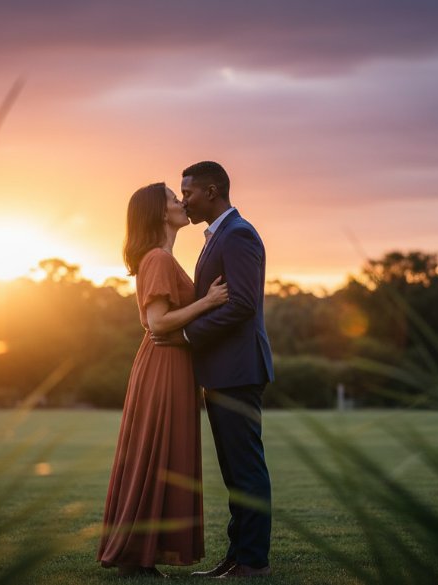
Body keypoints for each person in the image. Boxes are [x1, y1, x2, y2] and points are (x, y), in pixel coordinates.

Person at [97, 182, 229, 578]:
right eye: (174, 198)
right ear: (159, 213)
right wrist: (207, 302)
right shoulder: (157, 258)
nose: (181, 202)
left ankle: (141, 553)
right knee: (155, 453)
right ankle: (136, 555)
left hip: (173, 363)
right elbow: (156, 323)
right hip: (163, 363)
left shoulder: (163, 257)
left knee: (163, 453)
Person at [158, 161, 275, 579]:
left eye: (187, 192)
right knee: (234, 470)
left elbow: (242, 304)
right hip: (223, 371)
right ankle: (237, 556)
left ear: (211, 191)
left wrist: (187, 336)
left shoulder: (238, 234)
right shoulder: (217, 236)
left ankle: (253, 561)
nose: (183, 199)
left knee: (245, 468)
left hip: (238, 370)